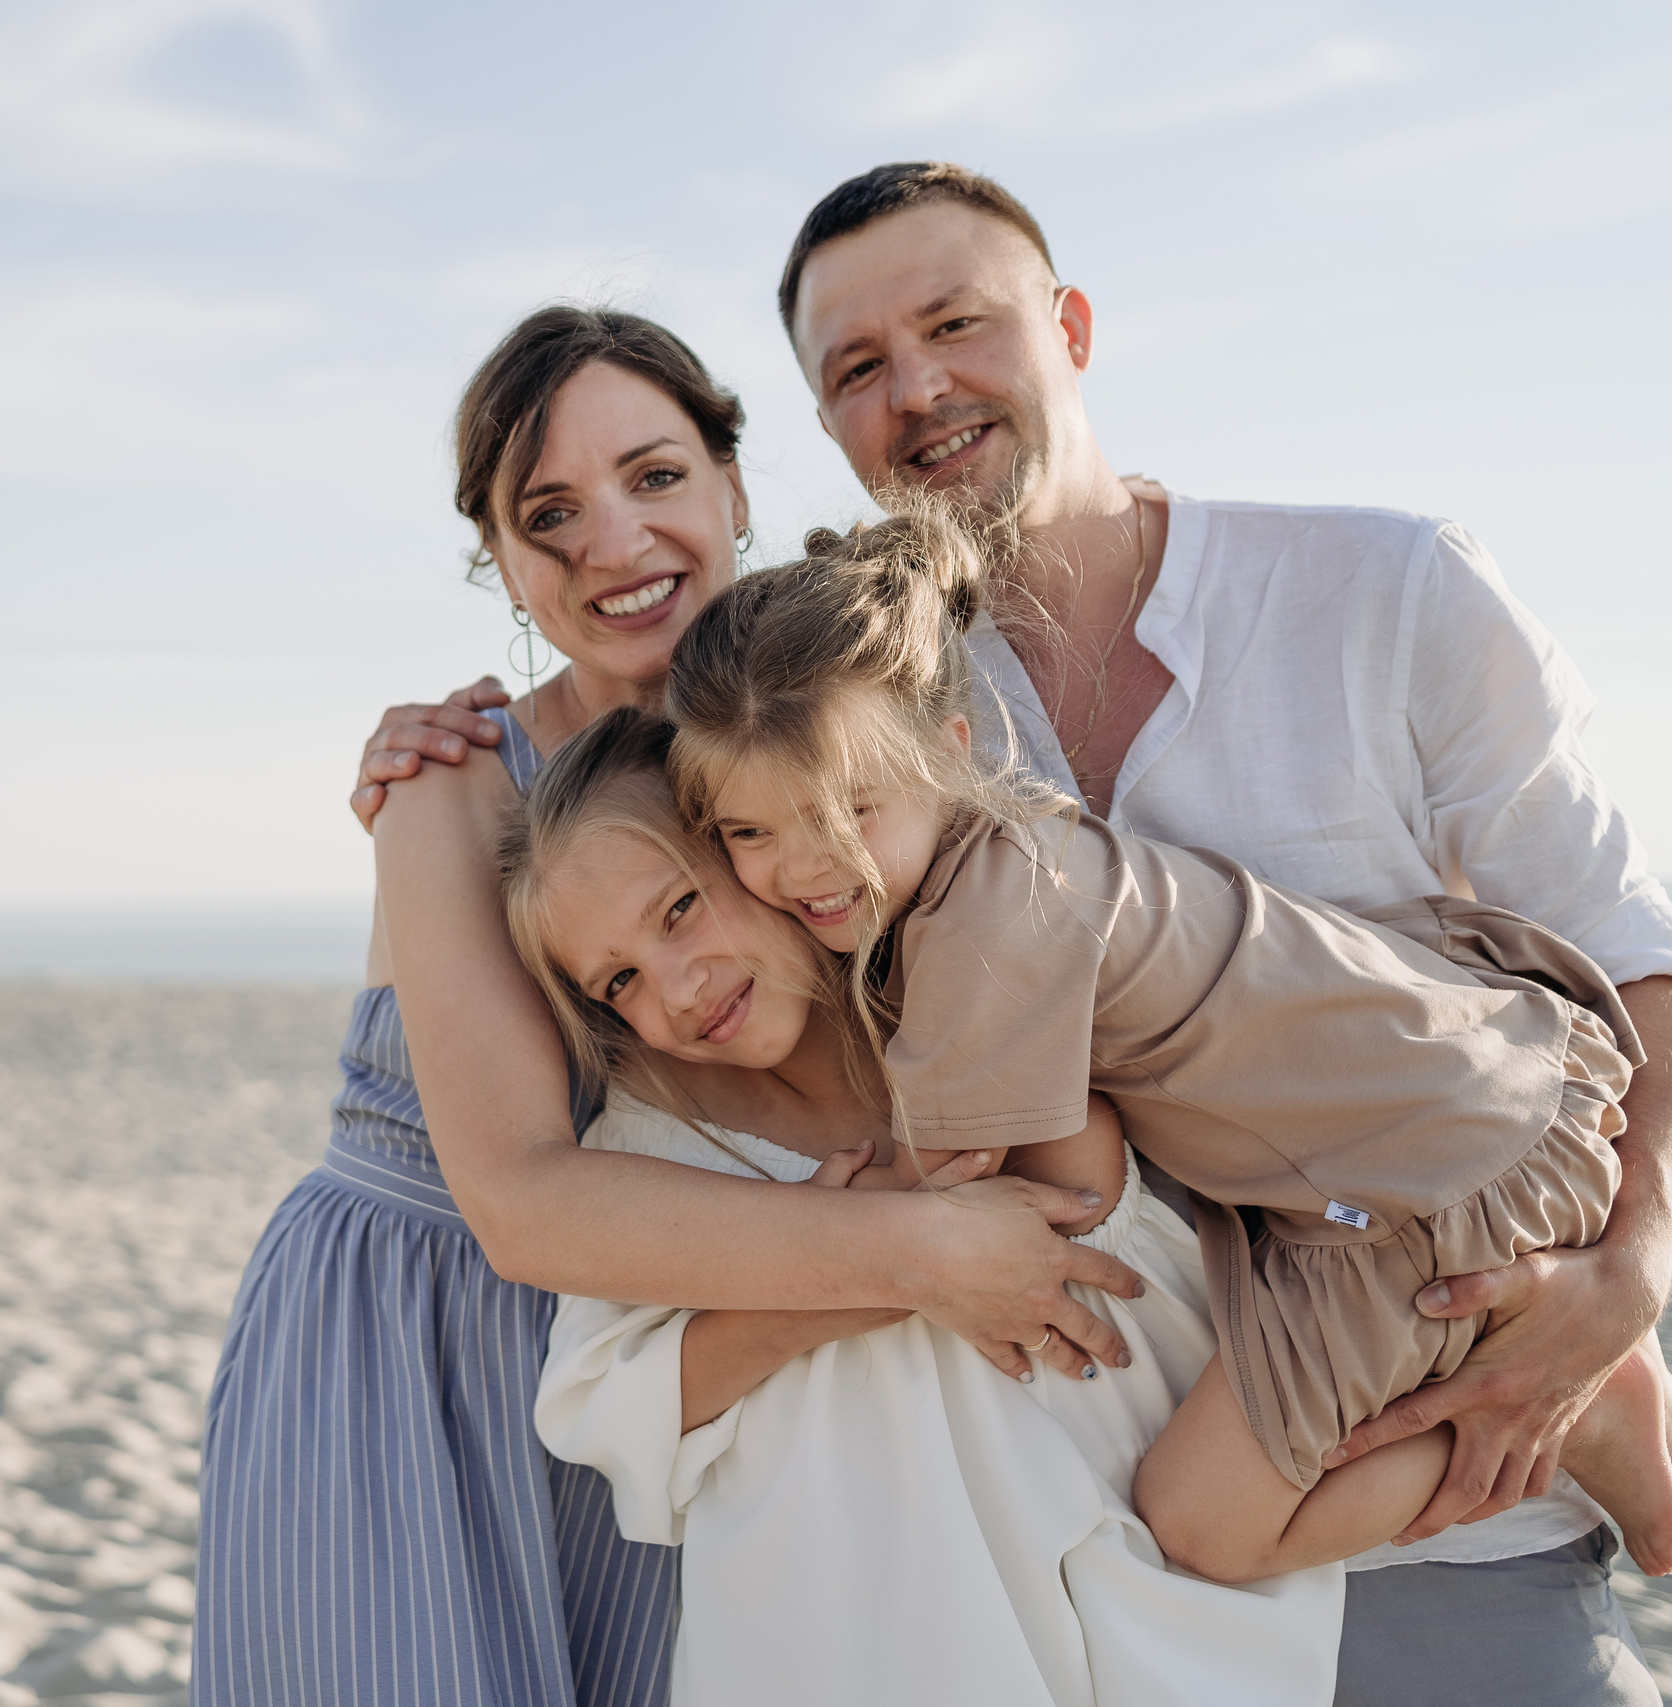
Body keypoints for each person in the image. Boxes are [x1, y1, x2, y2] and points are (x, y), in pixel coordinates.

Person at [356, 159, 1672, 1702]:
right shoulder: (844, 702)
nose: (917, 388)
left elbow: (1627, 958)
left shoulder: (1382, 587)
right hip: (1153, 1502)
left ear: (1073, 326)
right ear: (824, 428)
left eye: (956, 322)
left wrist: (1631, 1269)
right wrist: (457, 737)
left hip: (1466, 1494)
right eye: (856, 368)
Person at [200, 305, 1146, 1706]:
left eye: (653, 476)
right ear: (500, 562)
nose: (614, 542)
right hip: (419, 1332)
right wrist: (918, 1242)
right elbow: (519, 1197)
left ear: (734, 485)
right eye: (549, 514)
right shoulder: (456, 778)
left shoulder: (819, 724)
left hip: (681, 1327)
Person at [663, 509, 1671, 1592]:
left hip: (1415, 1181)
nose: (804, 867)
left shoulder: (985, 932)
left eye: (846, 809)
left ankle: (1572, 1418)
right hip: (1440, 1092)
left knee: (1203, 1525)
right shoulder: (1006, 851)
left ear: (950, 754)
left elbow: (1059, 1186)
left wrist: (845, 1221)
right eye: (747, 833)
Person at [500, 705, 1342, 1705]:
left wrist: (892, 1227)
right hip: (839, 1645)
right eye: (620, 980)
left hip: (1106, 1583)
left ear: (758, 850)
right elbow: (612, 1405)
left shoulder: (973, 1020)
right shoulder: (648, 1148)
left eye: (680, 907)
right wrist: (859, 1266)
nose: (676, 989)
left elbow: (1076, 1216)